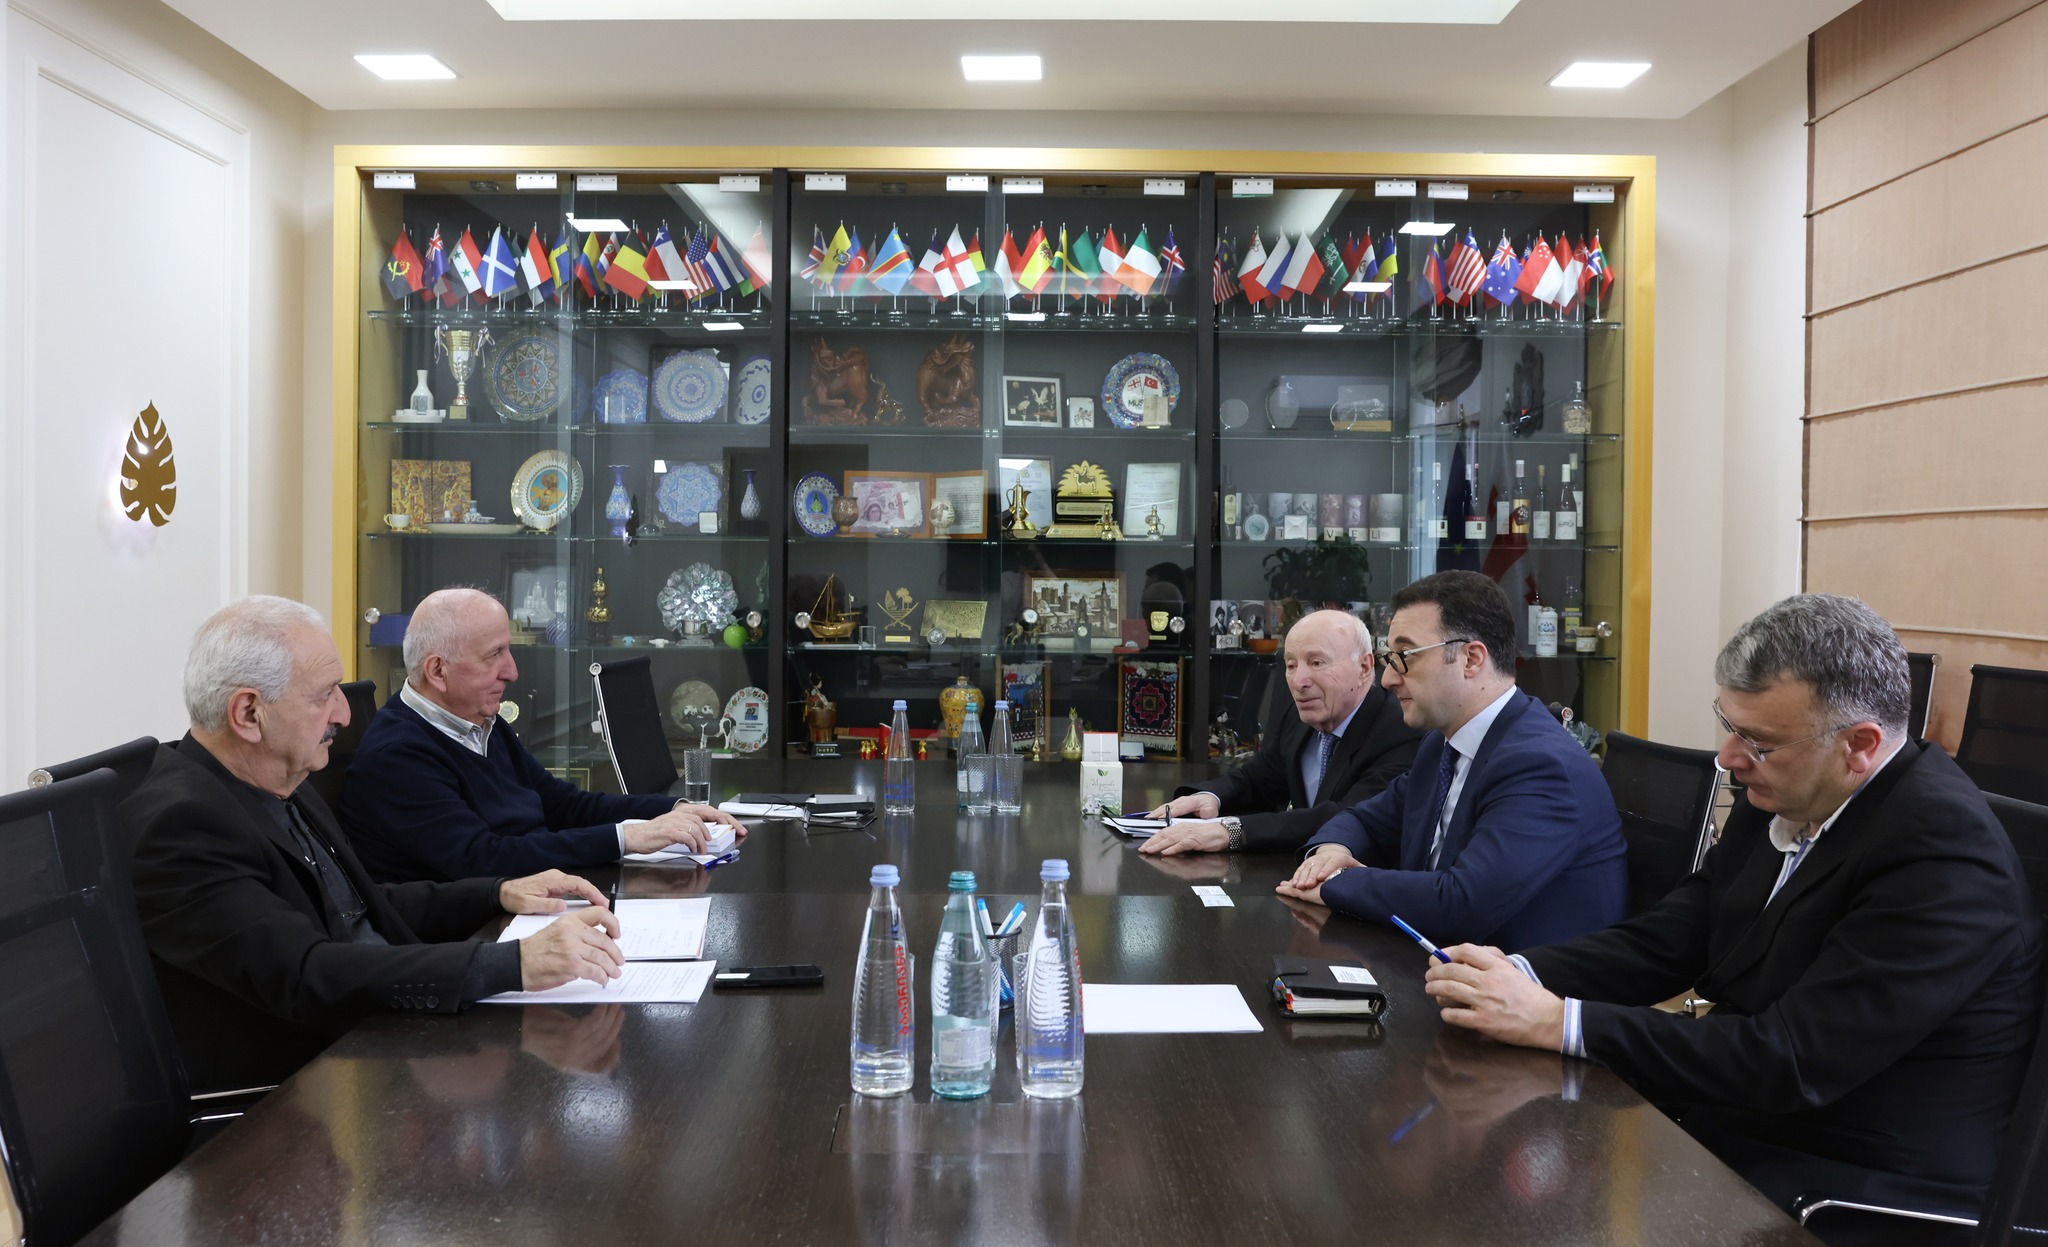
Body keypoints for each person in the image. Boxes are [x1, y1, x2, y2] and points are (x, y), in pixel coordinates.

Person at [1422, 593, 2043, 1226]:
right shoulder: (1789, 791)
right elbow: (1673, 937)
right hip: (1746, 1120)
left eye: (1759, 741)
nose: (1728, 756)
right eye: (1730, 724)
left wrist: (1558, 1021)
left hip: (1853, 1179)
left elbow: (1790, 1060)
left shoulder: (1942, 854)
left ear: (1859, 745)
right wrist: (1519, 973)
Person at [124, 596, 630, 1093]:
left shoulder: (280, 779)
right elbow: (304, 972)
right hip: (317, 1080)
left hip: (382, 1025)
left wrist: (497, 892)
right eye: (324, 695)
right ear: (249, 714)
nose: (344, 714)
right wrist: (513, 963)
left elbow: (363, 904)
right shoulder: (183, 826)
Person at [1278, 570, 1626, 949]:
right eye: (1388, 658)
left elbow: (1462, 903)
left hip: (1520, 978)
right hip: (1433, 958)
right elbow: (1365, 820)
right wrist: (1331, 852)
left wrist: (1336, 882)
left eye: (1404, 657)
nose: (1387, 679)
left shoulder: (1539, 765)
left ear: (1471, 659)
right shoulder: (1440, 744)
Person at [339, 588, 744, 883]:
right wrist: (627, 837)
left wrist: (672, 809)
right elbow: (482, 859)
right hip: (469, 938)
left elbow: (562, 805)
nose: (512, 672)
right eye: (494, 655)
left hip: (532, 896)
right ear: (437, 671)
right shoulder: (398, 754)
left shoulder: (478, 719)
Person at [1139, 609, 1422, 855]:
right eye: (1291, 665)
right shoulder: (1300, 717)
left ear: (1364, 667)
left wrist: (1230, 831)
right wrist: (1211, 798)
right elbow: (1258, 779)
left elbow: (1345, 817)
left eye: (1317, 663)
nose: (1299, 681)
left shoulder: (1399, 729)